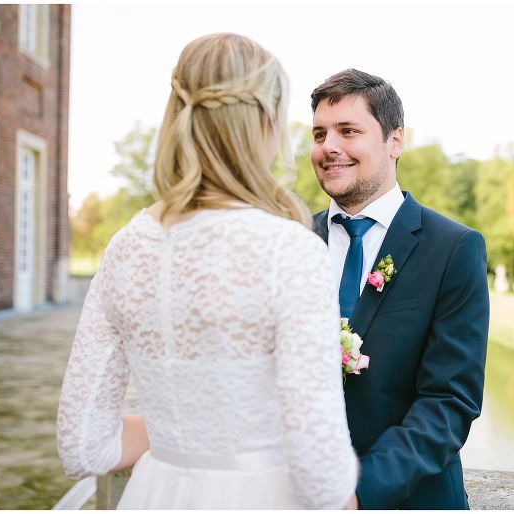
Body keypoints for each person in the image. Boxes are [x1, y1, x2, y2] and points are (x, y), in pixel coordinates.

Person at [56, 33, 358, 509]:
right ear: (263, 122)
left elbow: (81, 447)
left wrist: (187, 435)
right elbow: (320, 475)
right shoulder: (291, 251)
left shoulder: (125, 248)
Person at [310, 69, 490, 509]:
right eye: (319, 134)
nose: (328, 147)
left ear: (395, 140)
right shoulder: (290, 240)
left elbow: (449, 401)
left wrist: (358, 492)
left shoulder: (453, 248)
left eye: (347, 131)